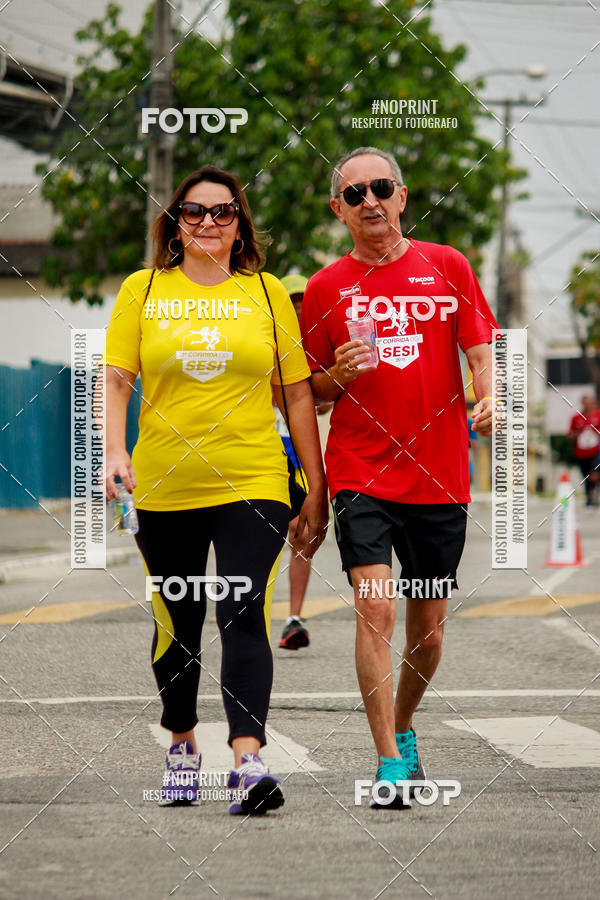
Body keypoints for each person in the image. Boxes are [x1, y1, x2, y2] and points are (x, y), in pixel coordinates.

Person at [103, 166, 328, 815]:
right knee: (178, 622)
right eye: (194, 211)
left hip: (252, 478)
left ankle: (249, 761)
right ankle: (180, 744)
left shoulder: (265, 294)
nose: (208, 221)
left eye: (222, 211)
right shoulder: (143, 291)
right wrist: (115, 452)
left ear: (240, 223)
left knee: (241, 609)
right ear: (175, 223)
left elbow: (295, 393)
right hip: (165, 483)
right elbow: (117, 379)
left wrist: (314, 484)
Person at [300, 146, 497, 809]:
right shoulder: (326, 288)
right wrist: (337, 376)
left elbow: (478, 346)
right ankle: (387, 761)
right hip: (362, 470)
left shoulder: (447, 266)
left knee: (430, 632)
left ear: (403, 195)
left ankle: (406, 724)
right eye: (355, 194)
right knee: (376, 606)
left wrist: (489, 392)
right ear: (339, 210)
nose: (370, 201)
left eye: (380, 187)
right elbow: (305, 392)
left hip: (440, 476)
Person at [275, 274, 333, 650]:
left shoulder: (315, 344)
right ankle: (251, 611)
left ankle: (294, 616)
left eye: (303, 301)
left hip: (299, 450)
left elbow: (325, 401)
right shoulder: (264, 336)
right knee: (262, 536)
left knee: (301, 532)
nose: (298, 307)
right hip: (264, 446)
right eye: (292, 300)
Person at [568, 394, 600, 507]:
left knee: (594, 474)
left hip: (596, 451)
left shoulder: (598, 415)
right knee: (586, 475)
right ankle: (590, 496)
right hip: (581, 452)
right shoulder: (576, 418)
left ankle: (594, 490)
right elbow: (570, 434)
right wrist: (575, 435)